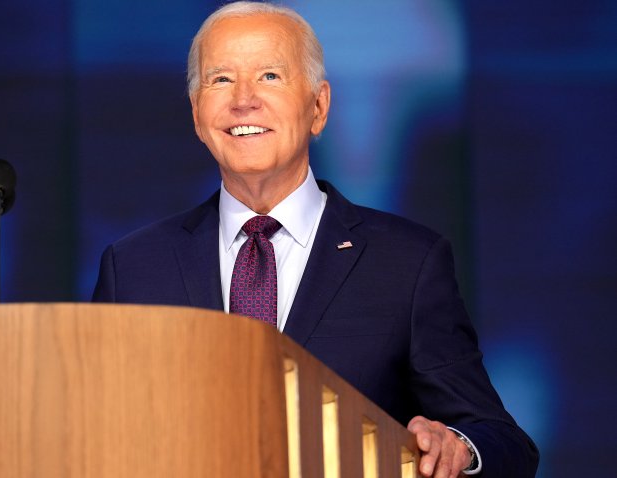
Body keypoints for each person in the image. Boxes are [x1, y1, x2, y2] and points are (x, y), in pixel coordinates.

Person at [92, 2, 538, 476]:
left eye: (269, 76)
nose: (243, 99)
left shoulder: (407, 263)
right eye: (220, 79)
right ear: (197, 114)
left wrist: (459, 449)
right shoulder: (134, 267)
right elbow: (91, 435)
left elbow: (503, 440)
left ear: (318, 107)